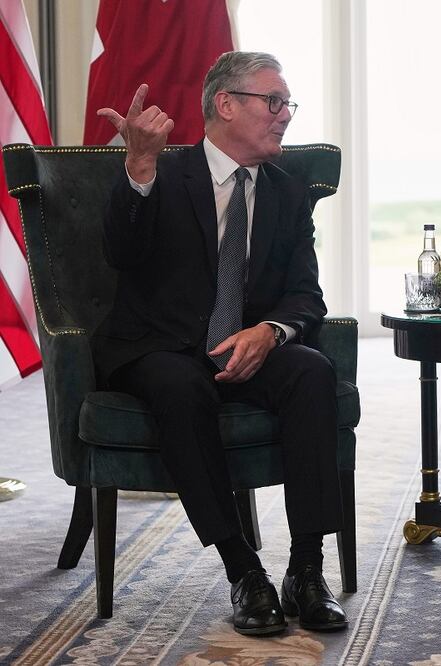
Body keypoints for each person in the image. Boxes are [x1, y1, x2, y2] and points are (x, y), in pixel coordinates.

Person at [91, 51, 347, 636]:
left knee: (310, 371)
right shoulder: (162, 171)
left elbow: (306, 297)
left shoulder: (286, 194)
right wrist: (138, 167)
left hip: (244, 345)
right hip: (159, 347)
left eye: (289, 104)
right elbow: (121, 256)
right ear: (225, 104)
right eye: (273, 101)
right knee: (180, 386)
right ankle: (244, 571)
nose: (285, 115)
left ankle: (306, 569)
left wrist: (269, 332)